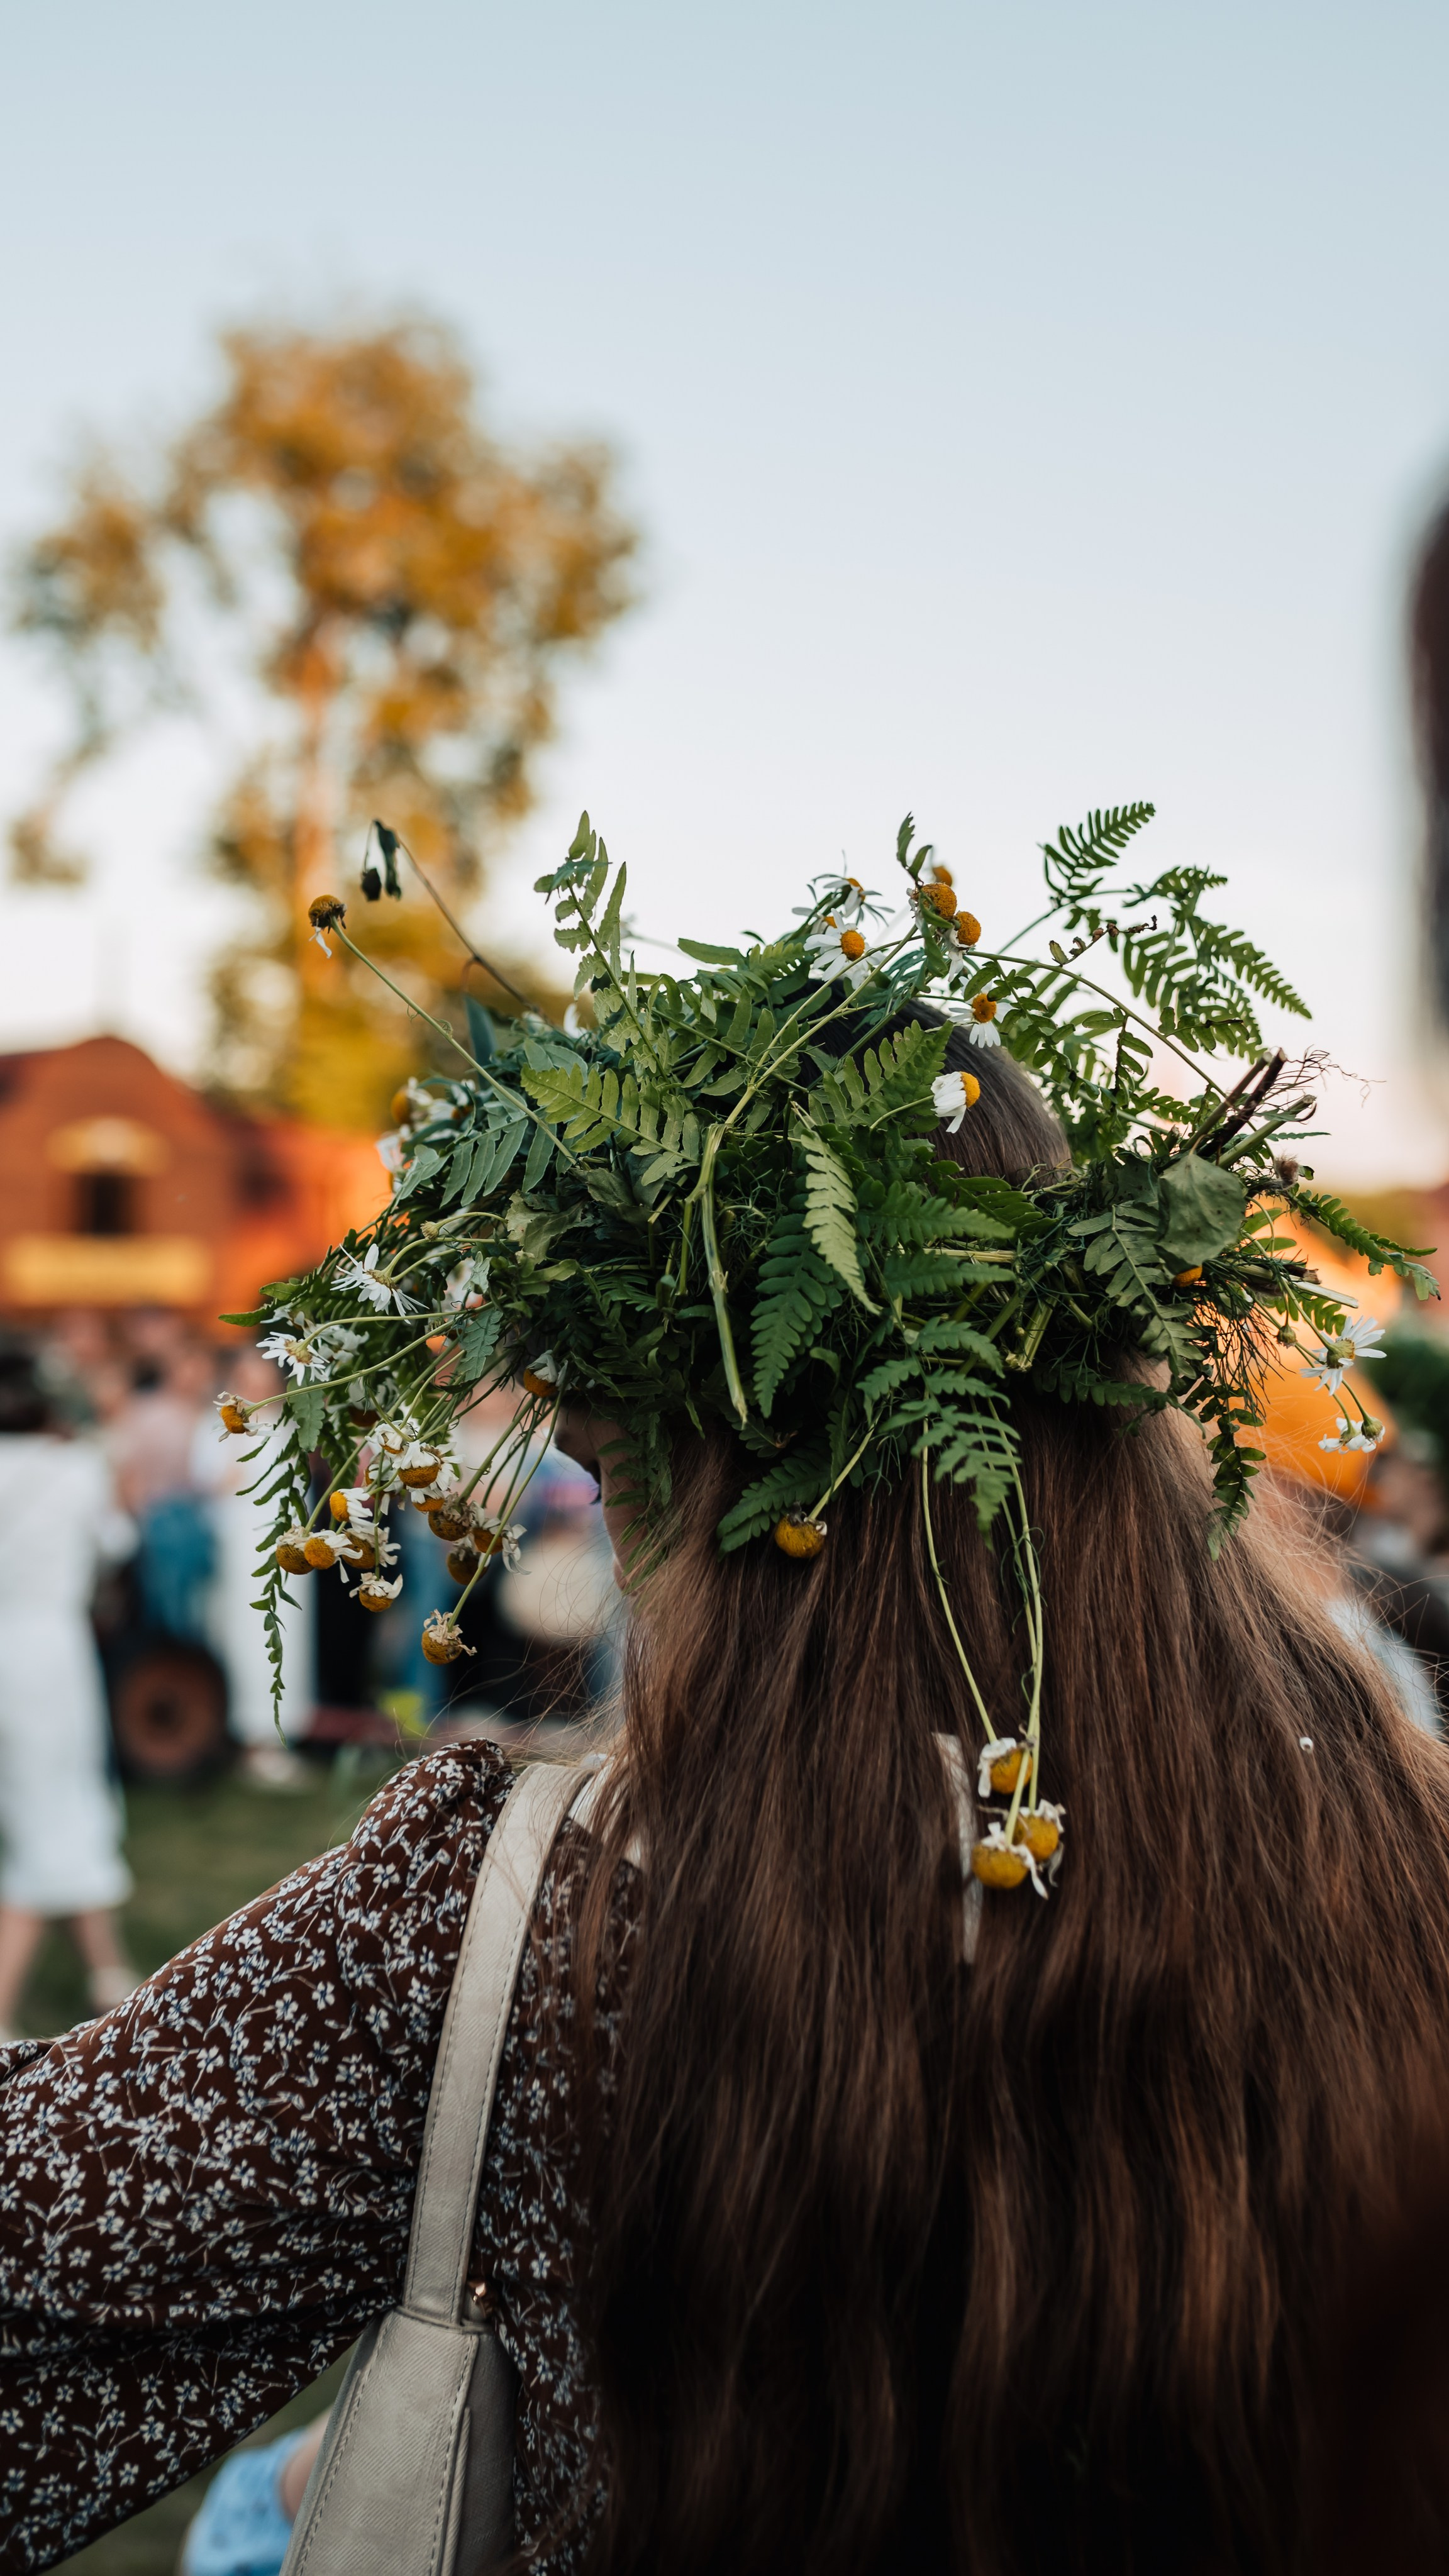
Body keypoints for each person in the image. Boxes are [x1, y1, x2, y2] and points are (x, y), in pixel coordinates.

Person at [3, 831, 1449, 2575]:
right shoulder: (1395, 1823)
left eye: (611, 1477)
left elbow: (42, 2234)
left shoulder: (519, 1917)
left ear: (671, 1442)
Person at [0, 1349, 138, 2043]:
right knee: (51, 1810)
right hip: (49, 1653)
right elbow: (119, 1540)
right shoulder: (79, 1467)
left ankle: (107, 1971)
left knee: (62, 1801)